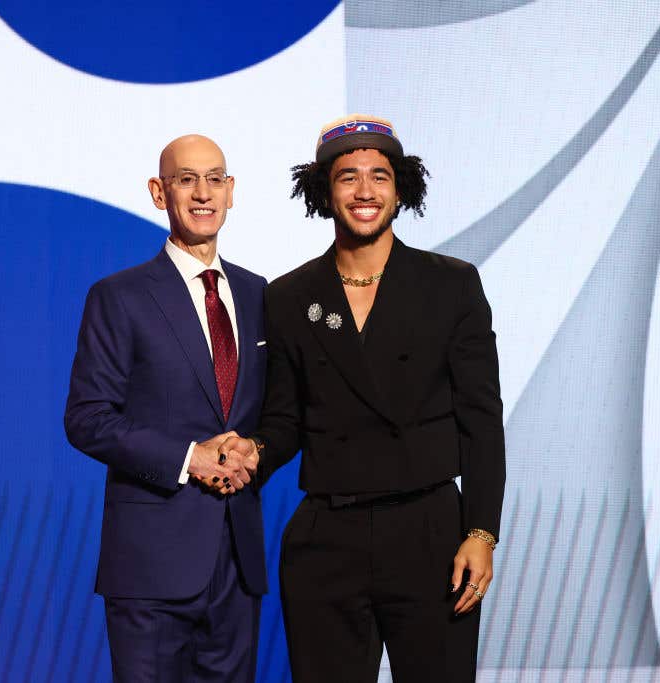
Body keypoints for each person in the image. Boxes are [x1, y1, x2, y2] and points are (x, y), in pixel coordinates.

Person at [220, 115, 506, 682]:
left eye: (379, 175)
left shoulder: (451, 284)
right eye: (348, 177)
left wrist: (480, 532)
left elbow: (482, 420)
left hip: (429, 534)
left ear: (401, 189)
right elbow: (284, 418)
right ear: (325, 191)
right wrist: (250, 451)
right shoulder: (289, 296)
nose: (365, 191)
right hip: (327, 538)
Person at [64, 134, 267, 682]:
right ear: (159, 192)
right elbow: (87, 417)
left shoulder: (258, 294)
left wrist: (254, 449)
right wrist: (189, 458)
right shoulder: (119, 296)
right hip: (151, 568)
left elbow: (269, 414)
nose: (203, 193)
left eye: (215, 178)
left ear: (231, 192)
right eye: (186, 179)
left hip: (237, 565)